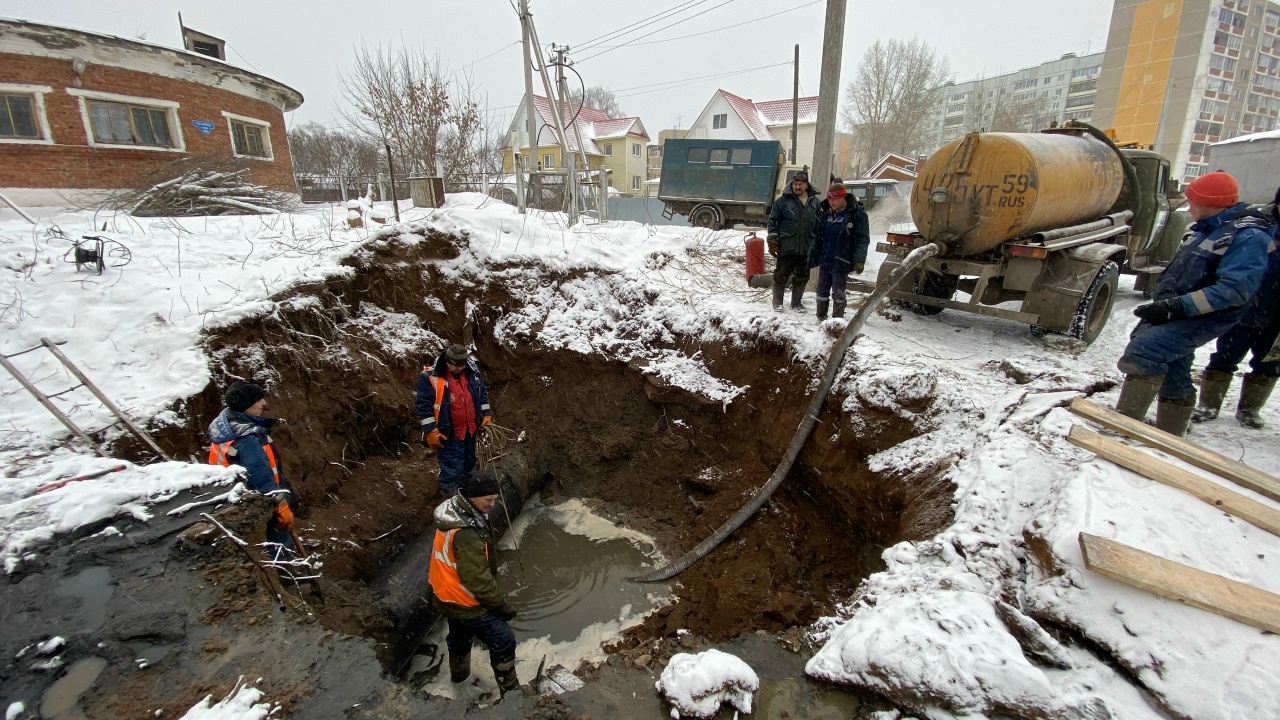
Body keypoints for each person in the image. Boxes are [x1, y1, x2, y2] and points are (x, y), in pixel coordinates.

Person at [1115, 171, 1275, 437]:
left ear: (1210, 202)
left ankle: (1124, 425)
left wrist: (1175, 307)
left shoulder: (1248, 237)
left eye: (1193, 201)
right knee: (1174, 364)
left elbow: (1233, 290)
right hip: (1180, 309)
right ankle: (1171, 432)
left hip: (1206, 315)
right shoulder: (1207, 228)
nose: (1189, 206)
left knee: (1146, 350)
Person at [1193, 188, 1280, 428]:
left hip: (1277, 316)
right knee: (1225, 355)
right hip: (1247, 305)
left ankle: (1250, 409)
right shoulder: (1258, 224)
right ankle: (1209, 404)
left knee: (1269, 363)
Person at [429, 472, 520, 694]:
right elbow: (476, 579)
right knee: (503, 638)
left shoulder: (458, 510)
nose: (493, 504)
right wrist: (499, 605)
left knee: (460, 635)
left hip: (446, 592)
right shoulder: (466, 532)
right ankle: (512, 694)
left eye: (495, 499)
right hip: (461, 597)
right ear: (472, 497)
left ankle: (459, 678)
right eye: (488, 500)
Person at [207, 381, 298, 557]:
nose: (264, 403)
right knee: (278, 541)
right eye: (258, 400)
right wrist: (279, 506)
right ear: (245, 405)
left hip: (232, 496)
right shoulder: (246, 439)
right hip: (258, 500)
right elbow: (260, 477)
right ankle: (286, 575)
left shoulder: (225, 424)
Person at [416, 344, 492, 496]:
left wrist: (486, 414)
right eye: (454, 365)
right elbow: (423, 406)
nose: (457, 369)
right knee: (452, 467)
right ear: (447, 361)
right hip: (449, 432)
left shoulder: (472, 372)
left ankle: (467, 491)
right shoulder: (430, 377)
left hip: (470, 429)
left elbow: (482, 393)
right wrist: (431, 431)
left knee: (469, 463)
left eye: (461, 366)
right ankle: (449, 496)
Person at [810, 182, 870, 321]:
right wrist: (812, 256)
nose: (832, 202)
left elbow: (862, 239)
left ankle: (837, 320)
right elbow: (817, 238)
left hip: (842, 260)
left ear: (843, 197)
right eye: (830, 199)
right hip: (826, 260)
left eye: (835, 199)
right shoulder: (825, 215)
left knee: (838, 292)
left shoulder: (856, 215)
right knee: (821, 291)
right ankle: (821, 317)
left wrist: (859, 259)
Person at [767, 170, 821, 312]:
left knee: (802, 276)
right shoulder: (782, 202)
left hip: (806, 247)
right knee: (781, 275)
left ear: (806, 185)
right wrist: (773, 241)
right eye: (795, 184)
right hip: (787, 245)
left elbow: (819, 225)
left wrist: (818, 244)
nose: (797, 187)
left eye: (801, 184)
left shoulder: (814, 202)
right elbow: (772, 221)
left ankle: (796, 303)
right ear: (792, 184)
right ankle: (777, 302)